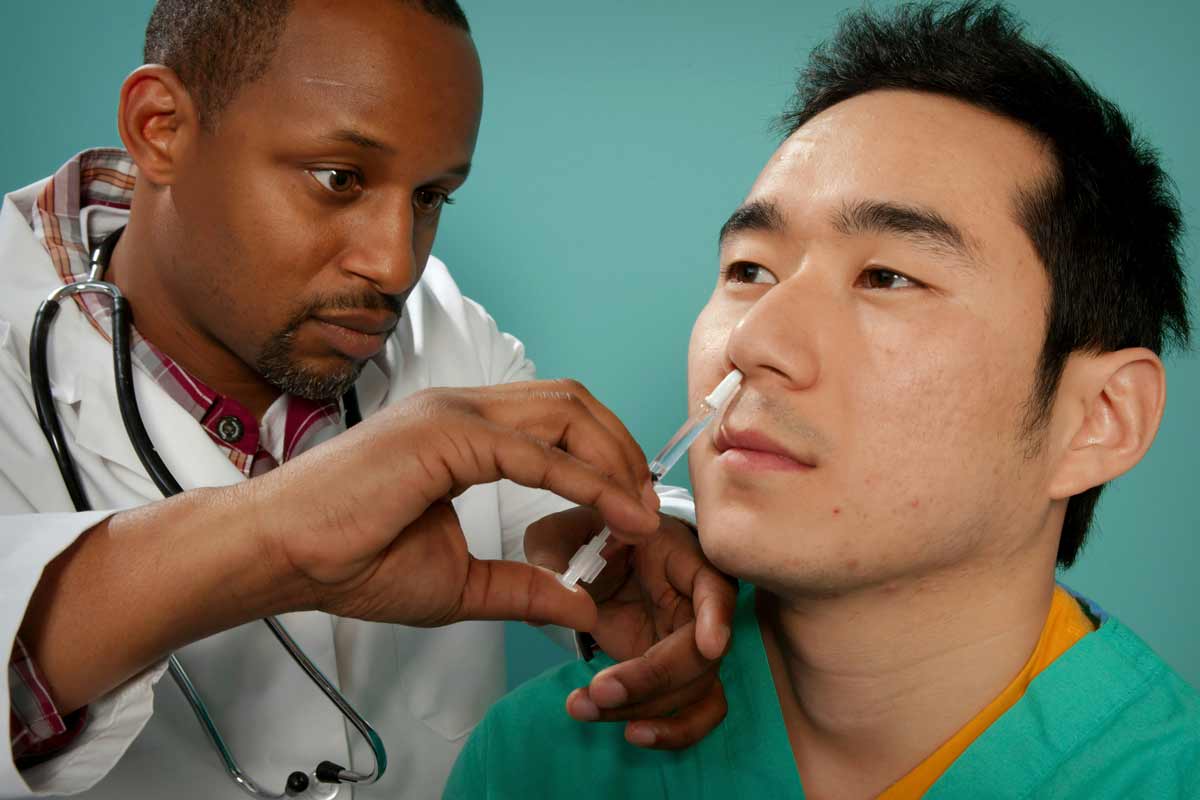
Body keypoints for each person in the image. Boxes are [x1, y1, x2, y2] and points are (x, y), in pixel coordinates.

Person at [444, 3, 1200, 798]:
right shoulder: (537, 763)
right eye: (749, 270)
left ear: (1099, 419)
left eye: (887, 277)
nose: (754, 342)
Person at [0, 1, 740, 797]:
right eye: (338, 178)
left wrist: (651, 549)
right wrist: (281, 537)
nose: (394, 266)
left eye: (430, 197)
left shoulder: (447, 331)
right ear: (161, 128)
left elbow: (575, 532)